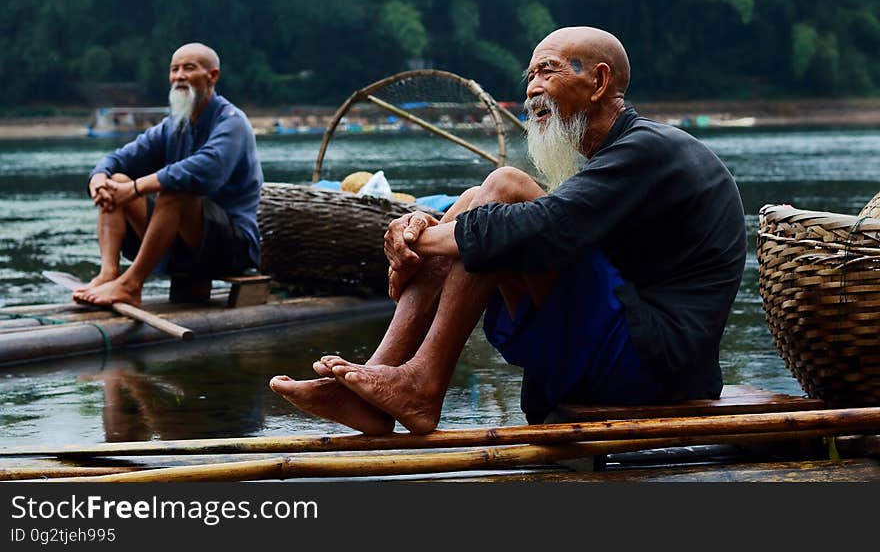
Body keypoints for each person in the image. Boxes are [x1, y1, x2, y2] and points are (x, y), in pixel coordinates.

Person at [269, 26, 747, 434]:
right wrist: (431, 224)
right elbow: (546, 225)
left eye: (548, 71)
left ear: (599, 81)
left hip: (658, 363)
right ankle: (379, 380)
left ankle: (424, 384)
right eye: (530, 77)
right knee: (478, 200)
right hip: (622, 344)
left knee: (503, 186)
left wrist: (425, 240)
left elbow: (550, 225)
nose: (532, 89)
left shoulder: (649, 149)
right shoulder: (611, 159)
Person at [74, 42, 264, 307]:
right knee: (115, 181)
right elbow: (120, 158)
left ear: (212, 76)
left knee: (176, 189)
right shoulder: (173, 124)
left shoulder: (232, 121)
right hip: (183, 246)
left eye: (189, 68)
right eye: (174, 69)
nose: (179, 76)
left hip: (232, 249)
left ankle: (131, 285)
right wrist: (98, 177)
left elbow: (204, 170)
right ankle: (109, 274)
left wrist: (137, 188)